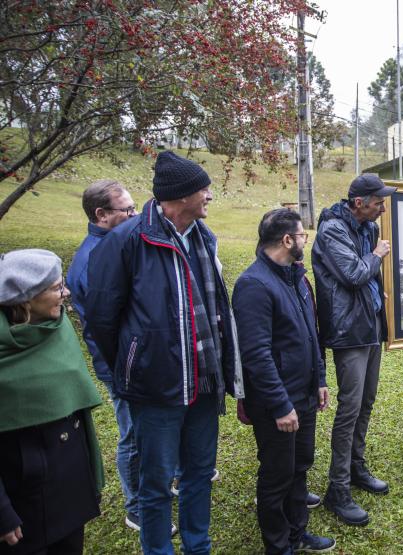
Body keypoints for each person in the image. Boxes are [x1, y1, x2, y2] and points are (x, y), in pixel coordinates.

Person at [86, 151, 244, 554]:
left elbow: (216, 311)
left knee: (199, 475)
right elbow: (103, 321)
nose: (209, 195)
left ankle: (198, 547)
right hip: (156, 389)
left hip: (205, 384)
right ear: (179, 196)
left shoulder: (205, 238)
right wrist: (133, 367)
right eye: (202, 189)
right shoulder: (128, 240)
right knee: (155, 485)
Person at [233, 209, 335, 554]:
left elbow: (311, 334)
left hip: (305, 396)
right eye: (302, 235)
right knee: (277, 476)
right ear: (287, 240)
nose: (306, 239)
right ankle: (278, 546)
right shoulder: (253, 285)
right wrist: (280, 406)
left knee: (300, 467)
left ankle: (297, 533)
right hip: (278, 405)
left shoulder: (296, 277)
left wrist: (320, 379)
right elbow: (257, 355)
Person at [0, 249, 104, 553]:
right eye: (57, 287)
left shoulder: (58, 328)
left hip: (68, 480)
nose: (67, 292)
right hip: (21, 498)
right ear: (26, 298)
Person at [312, 174, 394, 527]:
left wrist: (382, 292)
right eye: (378, 202)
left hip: (370, 322)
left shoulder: (368, 228)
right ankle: (337, 488)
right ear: (359, 202)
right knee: (350, 407)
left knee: (368, 400)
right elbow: (353, 273)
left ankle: (356, 467)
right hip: (349, 330)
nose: (383, 207)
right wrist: (377, 257)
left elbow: (370, 278)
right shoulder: (332, 230)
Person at [65, 179, 147, 533]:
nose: (133, 214)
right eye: (126, 209)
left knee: (147, 428)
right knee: (131, 434)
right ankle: (136, 507)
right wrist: (122, 368)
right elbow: (100, 329)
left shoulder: (119, 242)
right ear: (101, 215)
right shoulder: (91, 260)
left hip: (134, 359)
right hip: (118, 365)